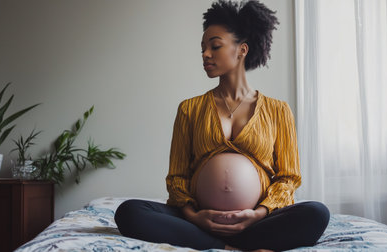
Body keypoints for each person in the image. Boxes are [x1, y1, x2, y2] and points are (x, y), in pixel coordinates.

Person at [114, 0, 330, 251]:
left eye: (215, 46)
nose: (205, 54)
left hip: (256, 222)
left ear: (242, 50)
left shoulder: (278, 110)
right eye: (203, 48)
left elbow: (288, 178)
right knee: (129, 212)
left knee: (316, 212)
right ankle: (227, 246)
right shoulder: (189, 109)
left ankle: (221, 244)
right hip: (198, 222)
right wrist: (195, 217)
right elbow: (177, 177)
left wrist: (259, 213)